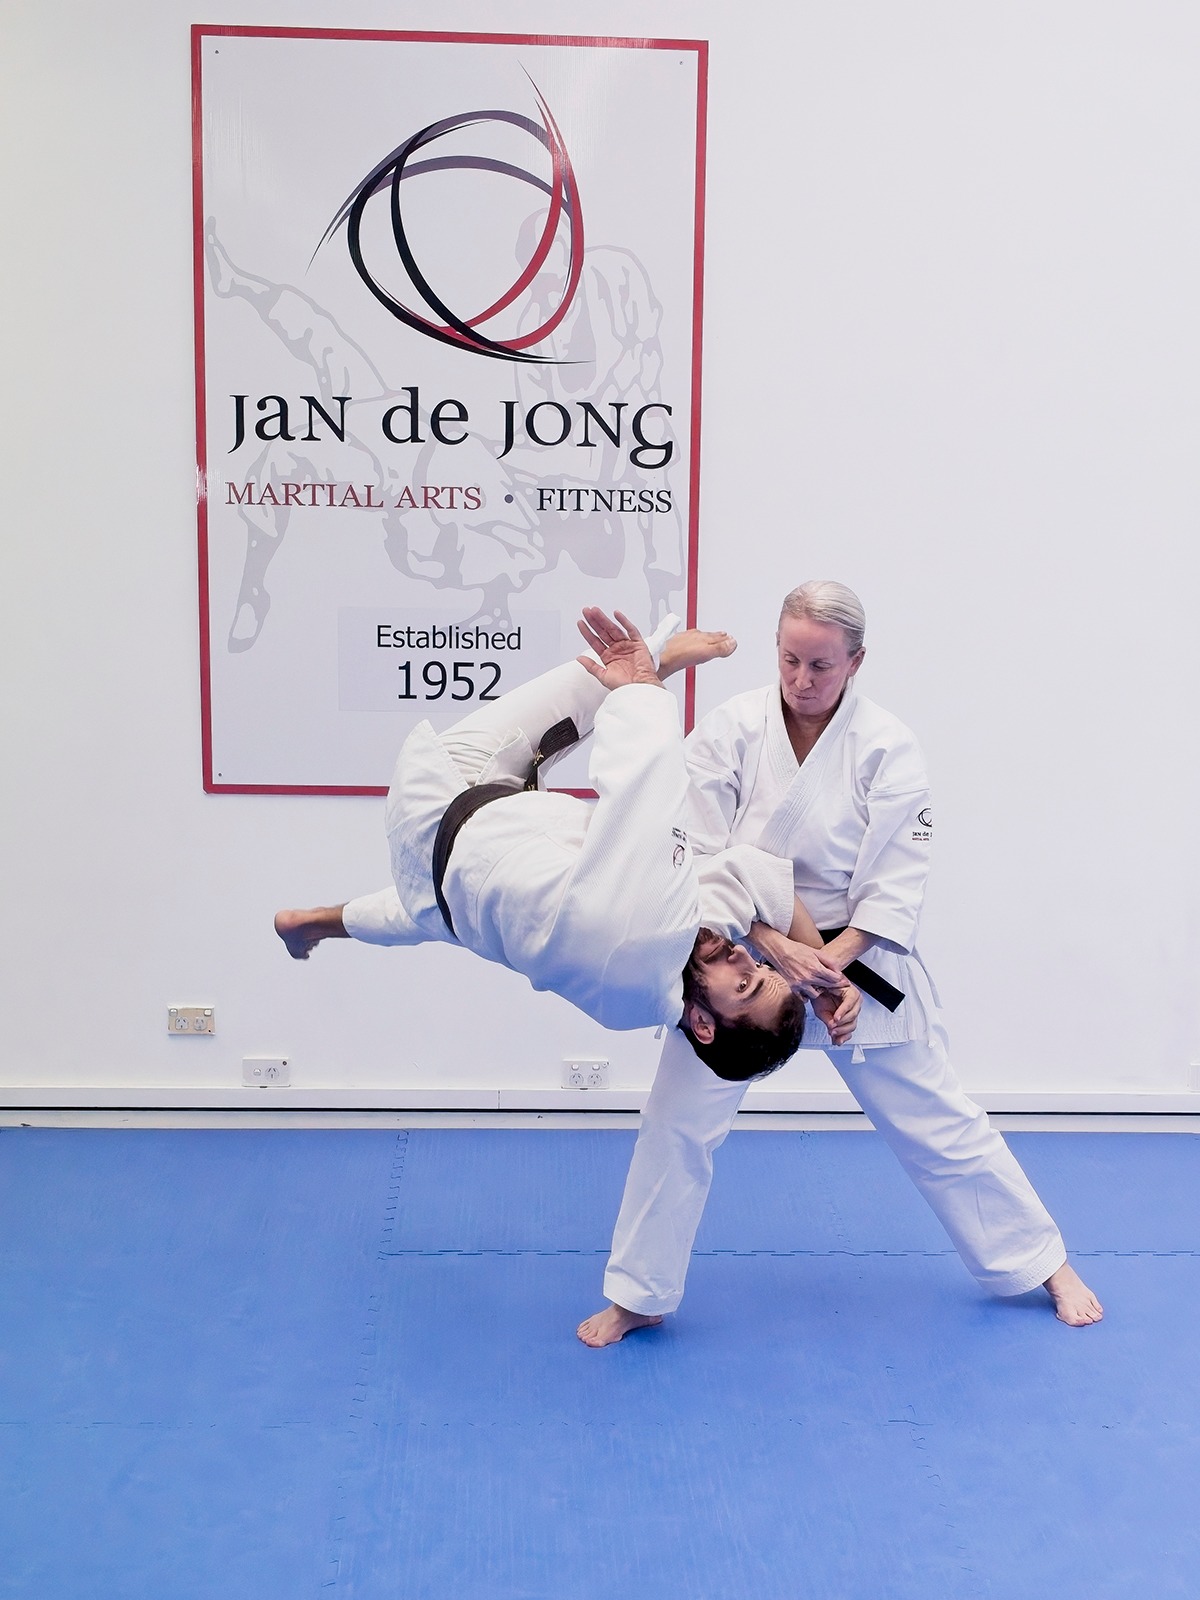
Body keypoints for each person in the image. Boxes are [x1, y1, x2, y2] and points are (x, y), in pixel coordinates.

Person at [578, 581, 1103, 1348]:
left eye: (821, 664)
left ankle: (1043, 1262)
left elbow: (896, 883)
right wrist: (775, 948)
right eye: (790, 659)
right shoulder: (732, 728)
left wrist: (829, 969)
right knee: (674, 1124)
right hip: (743, 963)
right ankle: (640, 1292)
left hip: (855, 960)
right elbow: (692, 853)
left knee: (940, 1122)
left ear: (857, 660)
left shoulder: (888, 746)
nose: (802, 679)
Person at [274, 609, 849, 1075]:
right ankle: (311, 922)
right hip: (452, 893)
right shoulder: (657, 988)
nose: (739, 953)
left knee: (586, 692)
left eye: (745, 983)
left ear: (704, 1024)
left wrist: (646, 688)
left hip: (446, 799)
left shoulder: (644, 942)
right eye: (754, 964)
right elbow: (755, 874)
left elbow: (644, 785)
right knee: (422, 917)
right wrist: (823, 973)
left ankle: (648, 662)